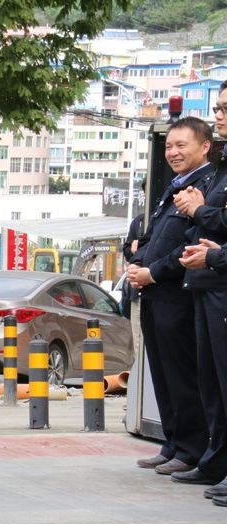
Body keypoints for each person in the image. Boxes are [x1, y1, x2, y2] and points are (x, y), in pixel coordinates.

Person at [128, 116, 215, 482]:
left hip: (178, 296)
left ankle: (191, 448)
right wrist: (137, 263)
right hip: (153, 293)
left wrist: (154, 272)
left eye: (182, 145)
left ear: (205, 147)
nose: (173, 152)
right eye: (169, 146)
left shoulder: (205, 189)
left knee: (182, 374)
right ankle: (174, 442)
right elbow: (151, 235)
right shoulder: (175, 187)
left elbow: (191, 245)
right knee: (162, 373)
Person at [173, 92, 227, 496]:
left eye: (225, 108)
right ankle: (215, 462)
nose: (219, 115)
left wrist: (200, 211)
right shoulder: (221, 169)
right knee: (212, 384)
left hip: (219, 281)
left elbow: (214, 220)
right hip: (208, 282)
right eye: (218, 108)